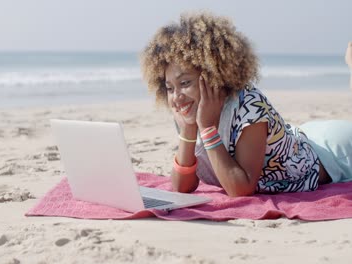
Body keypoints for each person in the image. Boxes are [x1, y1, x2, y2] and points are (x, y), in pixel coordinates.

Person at [139, 12, 352, 197]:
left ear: (214, 76)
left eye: (185, 83)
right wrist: (188, 128)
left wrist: (206, 129)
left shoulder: (249, 106)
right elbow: (181, 187)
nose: (176, 97)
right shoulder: (189, 109)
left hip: (332, 150)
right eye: (169, 88)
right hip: (298, 136)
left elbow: (240, 189)